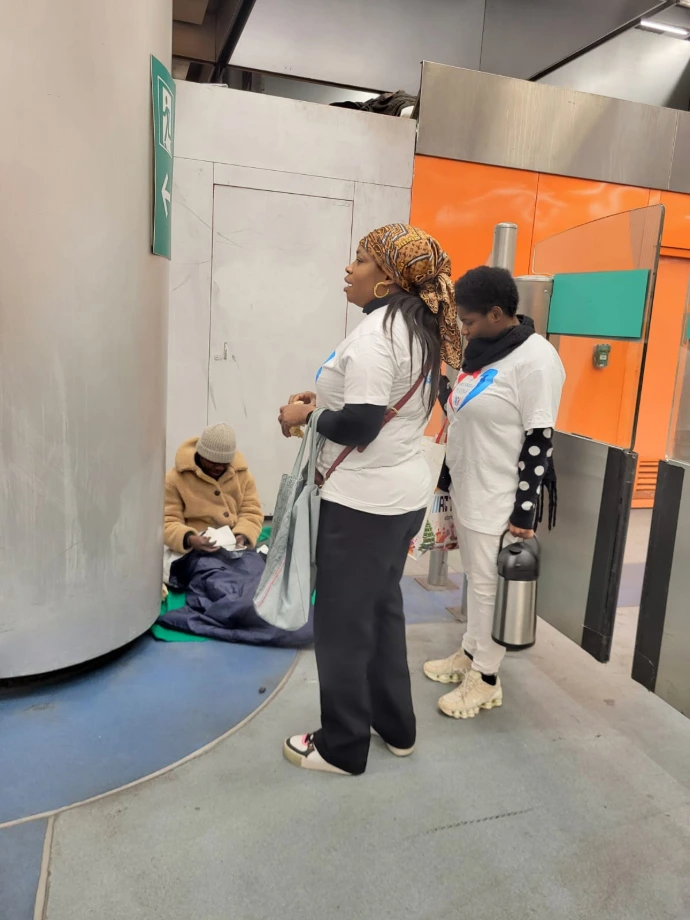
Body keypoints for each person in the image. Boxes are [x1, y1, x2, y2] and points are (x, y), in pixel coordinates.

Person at [277, 224, 462, 776]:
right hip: (399, 497)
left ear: (388, 277)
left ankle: (342, 746)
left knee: (341, 625)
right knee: (381, 611)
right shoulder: (419, 331)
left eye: (360, 259)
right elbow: (385, 408)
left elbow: (360, 424)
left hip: (361, 504)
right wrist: (324, 401)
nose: (349, 268)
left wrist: (307, 416)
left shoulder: (376, 336)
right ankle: (396, 726)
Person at [424, 266, 565, 719]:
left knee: (488, 589)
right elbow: (465, 416)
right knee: (476, 580)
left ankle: (485, 679)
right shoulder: (482, 355)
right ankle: (470, 652)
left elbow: (540, 439)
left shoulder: (536, 360)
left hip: (500, 497)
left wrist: (524, 512)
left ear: (498, 313)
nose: (464, 330)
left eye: (468, 321)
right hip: (470, 488)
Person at [164, 423, 263, 555]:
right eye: (213, 462)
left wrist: (242, 536)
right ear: (201, 455)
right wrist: (190, 539)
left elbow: (251, 513)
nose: (219, 467)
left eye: (224, 463)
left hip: (234, 546)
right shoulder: (175, 478)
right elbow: (168, 520)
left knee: (255, 567)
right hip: (192, 549)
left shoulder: (244, 476)